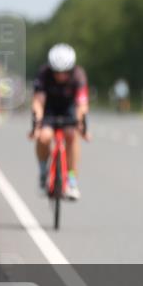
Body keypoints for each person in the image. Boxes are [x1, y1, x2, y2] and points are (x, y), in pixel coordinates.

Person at [29, 44, 90, 200]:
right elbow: (38, 102)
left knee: (71, 135)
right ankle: (43, 172)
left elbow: (82, 104)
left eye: (65, 72)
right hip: (49, 107)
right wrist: (37, 125)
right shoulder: (43, 74)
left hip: (69, 107)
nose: (61, 76)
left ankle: (72, 180)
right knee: (44, 137)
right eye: (57, 72)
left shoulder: (78, 75)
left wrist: (82, 126)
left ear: (71, 69)